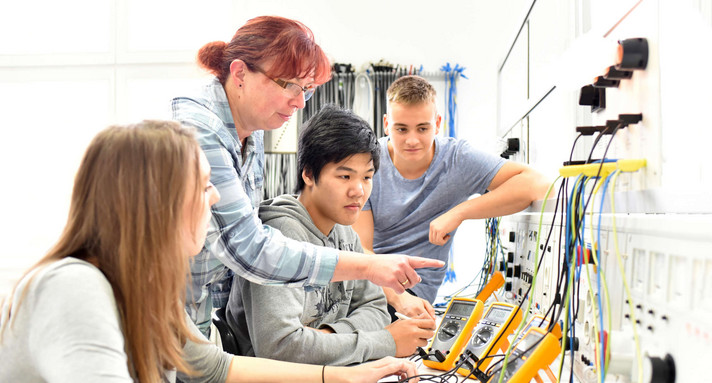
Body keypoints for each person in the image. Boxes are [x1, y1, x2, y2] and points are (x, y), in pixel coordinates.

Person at [0, 121, 418, 383]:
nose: (216, 197)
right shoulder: (75, 287)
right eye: (202, 185)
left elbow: (215, 368)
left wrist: (341, 377)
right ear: (154, 201)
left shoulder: (147, 289)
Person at [171, 16, 441, 336]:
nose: (299, 103)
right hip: (164, 308)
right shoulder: (199, 130)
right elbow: (248, 249)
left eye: (307, 90)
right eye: (289, 85)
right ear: (240, 73)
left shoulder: (252, 129)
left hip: (201, 314)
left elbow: (371, 308)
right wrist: (370, 268)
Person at [225, 105, 435, 365]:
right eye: (345, 176)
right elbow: (280, 349)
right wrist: (386, 342)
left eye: (367, 177)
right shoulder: (279, 236)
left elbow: (377, 309)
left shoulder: (345, 231)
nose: (358, 191)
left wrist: (325, 337)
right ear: (309, 174)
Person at [353, 75, 549, 320]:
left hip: (413, 294)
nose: (412, 139)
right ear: (385, 124)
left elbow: (536, 183)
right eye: (401, 129)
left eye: (422, 128)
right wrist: (397, 297)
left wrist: (460, 212)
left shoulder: (457, 159)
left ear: (437, 123)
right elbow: (361, 251)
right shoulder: (368, 164)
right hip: (373, 285)